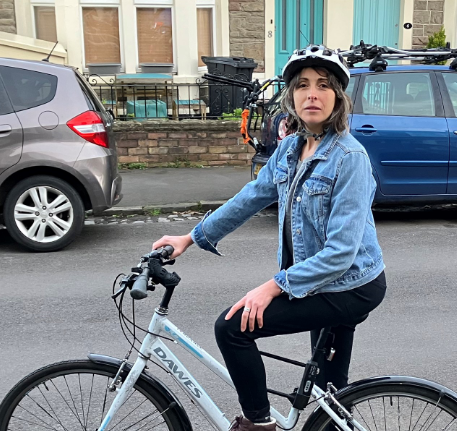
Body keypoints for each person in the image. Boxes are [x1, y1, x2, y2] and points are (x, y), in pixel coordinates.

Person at [152, 45, 386, 431]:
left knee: (231, 328)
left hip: (350, 285)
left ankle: (259, 426)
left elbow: (341, 253)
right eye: (303, 85)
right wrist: (189, 238)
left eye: (324, 85)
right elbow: (251, 197)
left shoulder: (350, 159)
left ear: (338, 98)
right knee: (331, 396)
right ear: (291, 95)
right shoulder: (292, 149)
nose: (313, 93)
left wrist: (274, 286)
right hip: (317, 283)